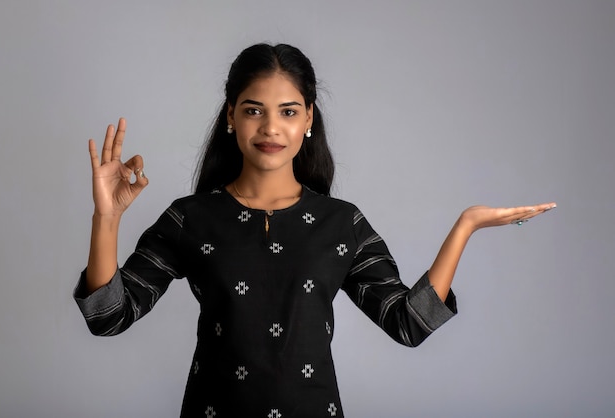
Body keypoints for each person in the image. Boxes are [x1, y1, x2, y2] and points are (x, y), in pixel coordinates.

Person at [74, 43, 556, 417]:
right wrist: (107, 218)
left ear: (308, 120)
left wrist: (466, 225)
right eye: (252, 109)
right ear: (230, 117)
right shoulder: (190, 218)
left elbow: (408, 324)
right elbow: (107, 316)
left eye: (287, 111)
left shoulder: (339, 222)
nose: (270, 127)